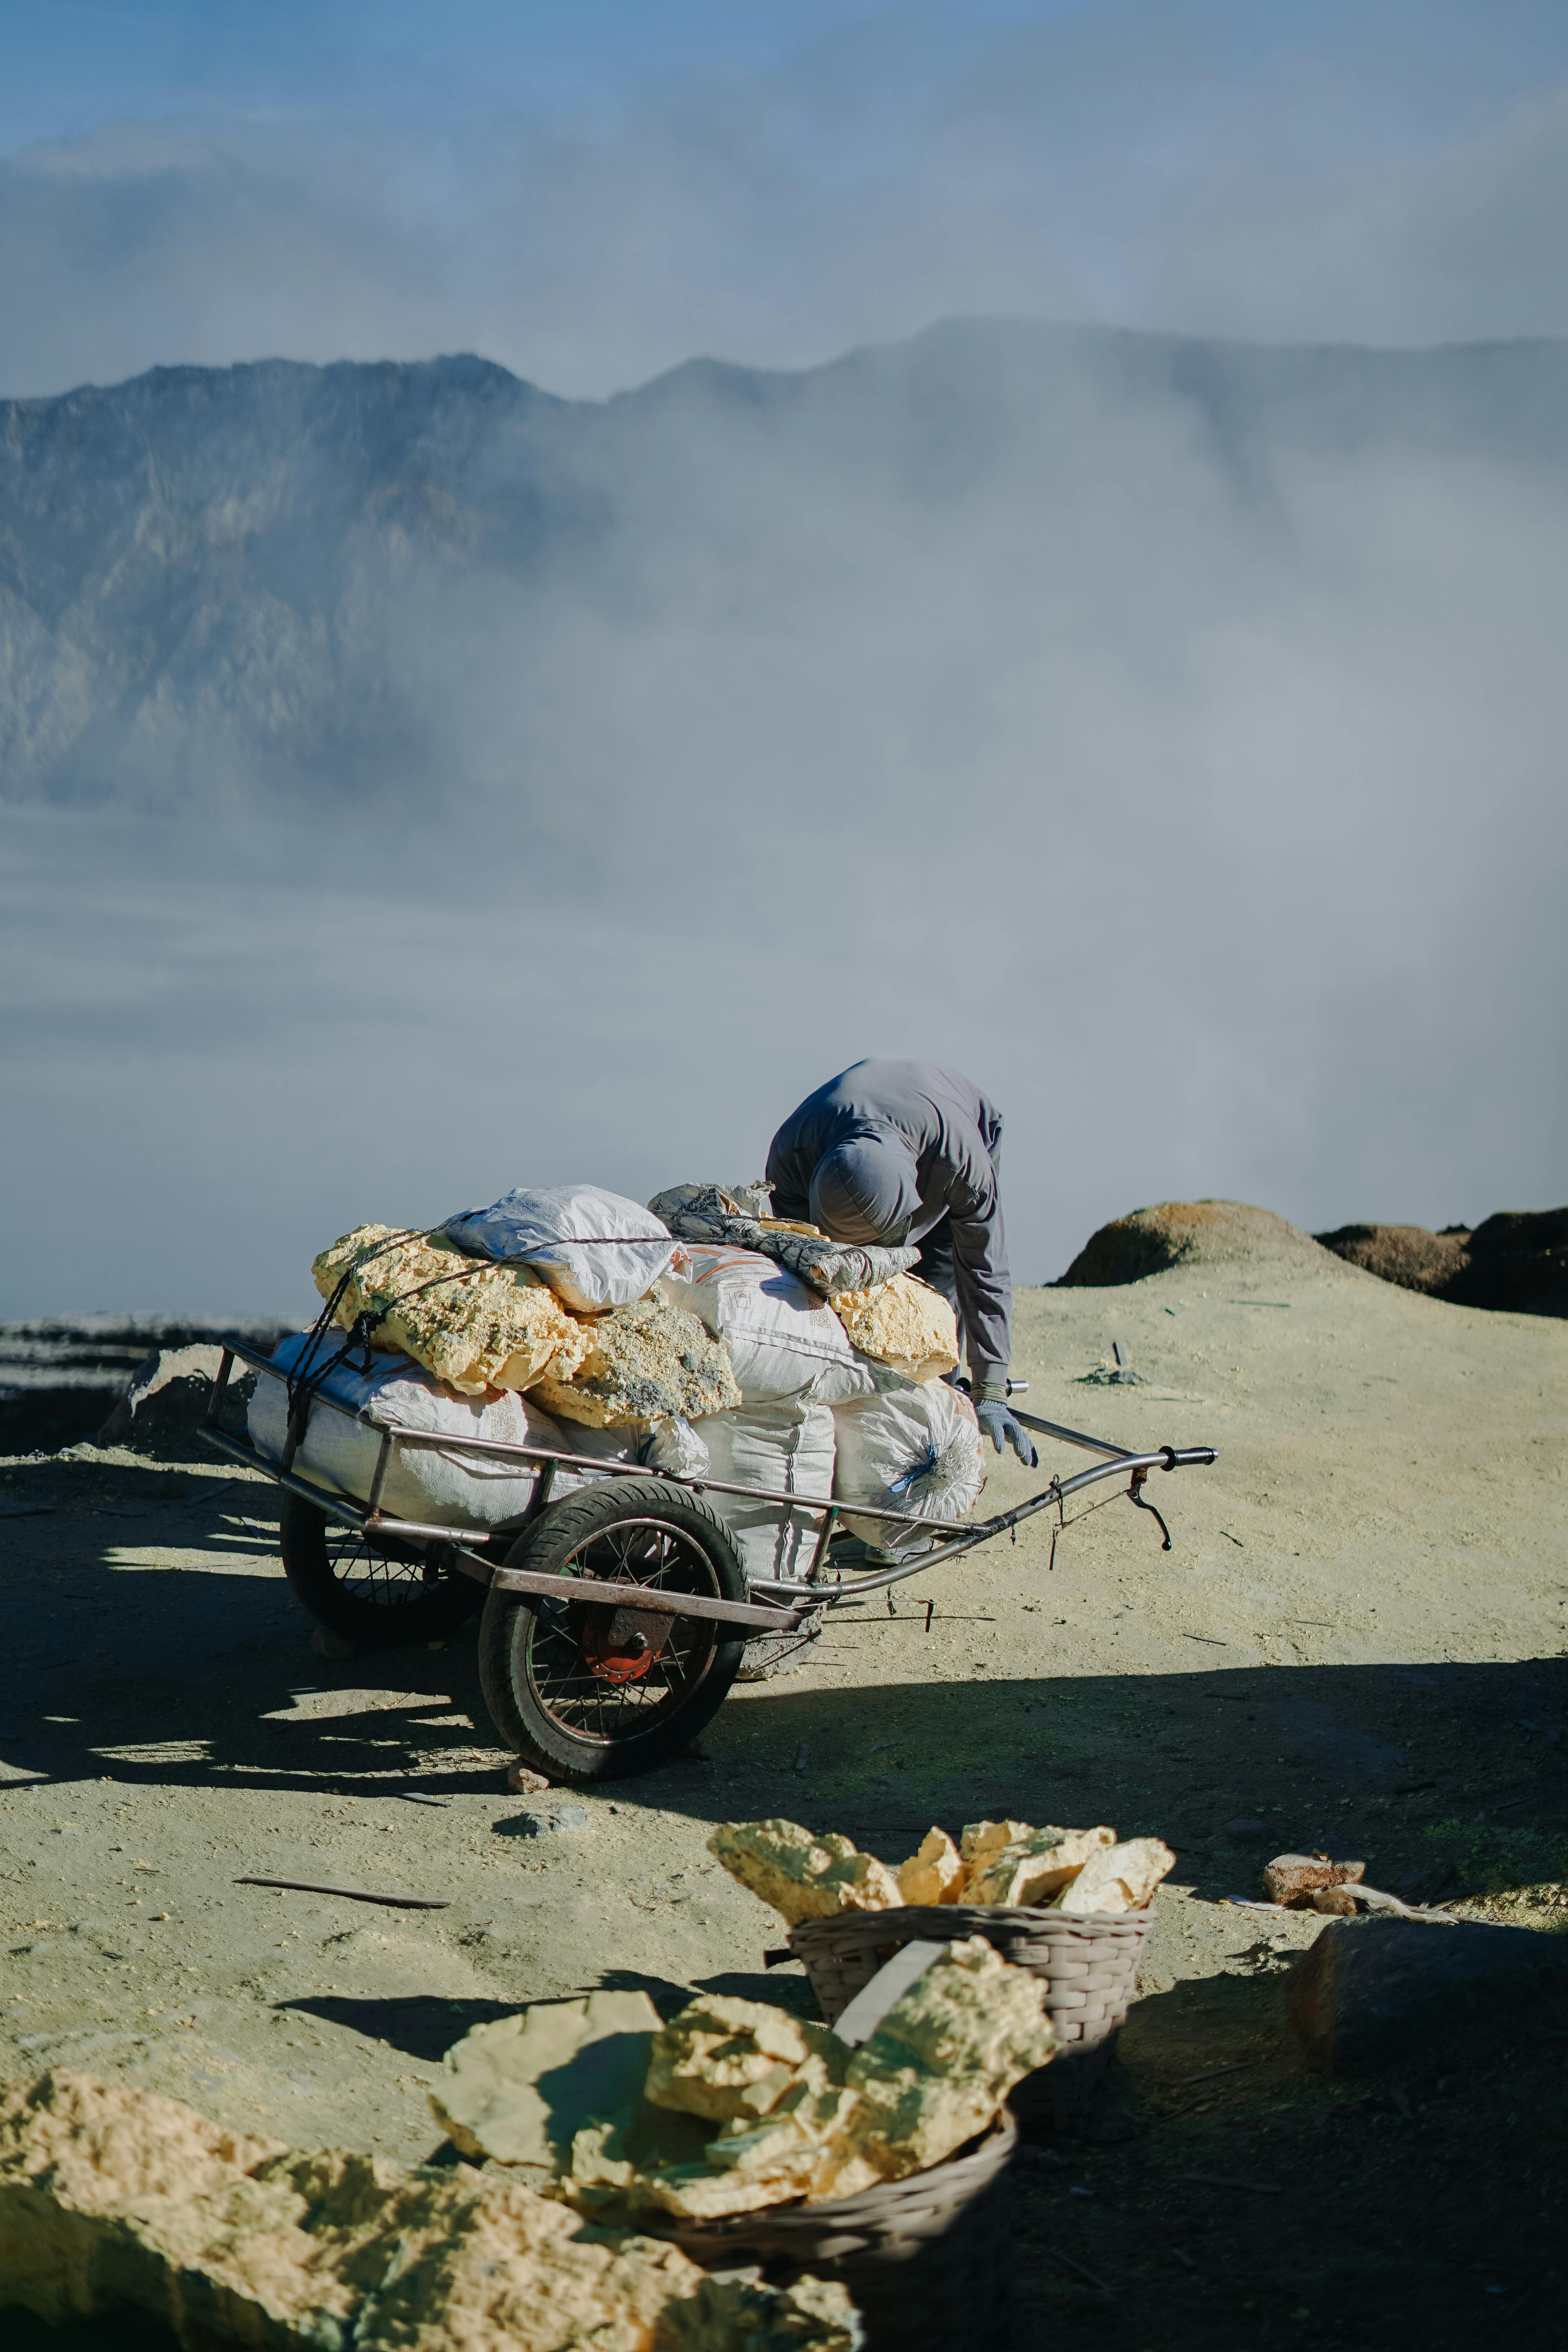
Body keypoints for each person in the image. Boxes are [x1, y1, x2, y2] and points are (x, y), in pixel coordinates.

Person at [765, 1058, 1037, 1465]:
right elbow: (799, 1257)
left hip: (958, 1128)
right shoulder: (791, 1158)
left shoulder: (962, 1163)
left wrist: (991, 1388)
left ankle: (937, 1410)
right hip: (854, 1125)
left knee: (937, 1284)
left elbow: (983, 1268)